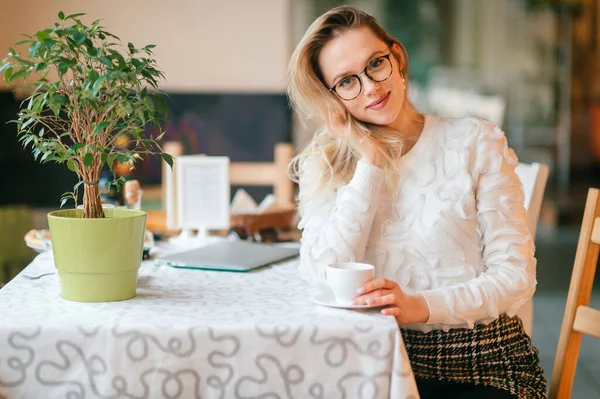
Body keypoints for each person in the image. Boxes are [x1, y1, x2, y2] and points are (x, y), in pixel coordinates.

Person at [287, 5, 547, 399]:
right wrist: (371, 163)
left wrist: (419, 306)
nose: (370, 87)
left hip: (480, 366)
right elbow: (322, 278)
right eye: (346, 82)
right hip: (370, 366)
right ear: (332, 97)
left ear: (398, 57)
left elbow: (515, 278)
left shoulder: (476, 142)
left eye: (375, 63)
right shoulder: (324, 165)